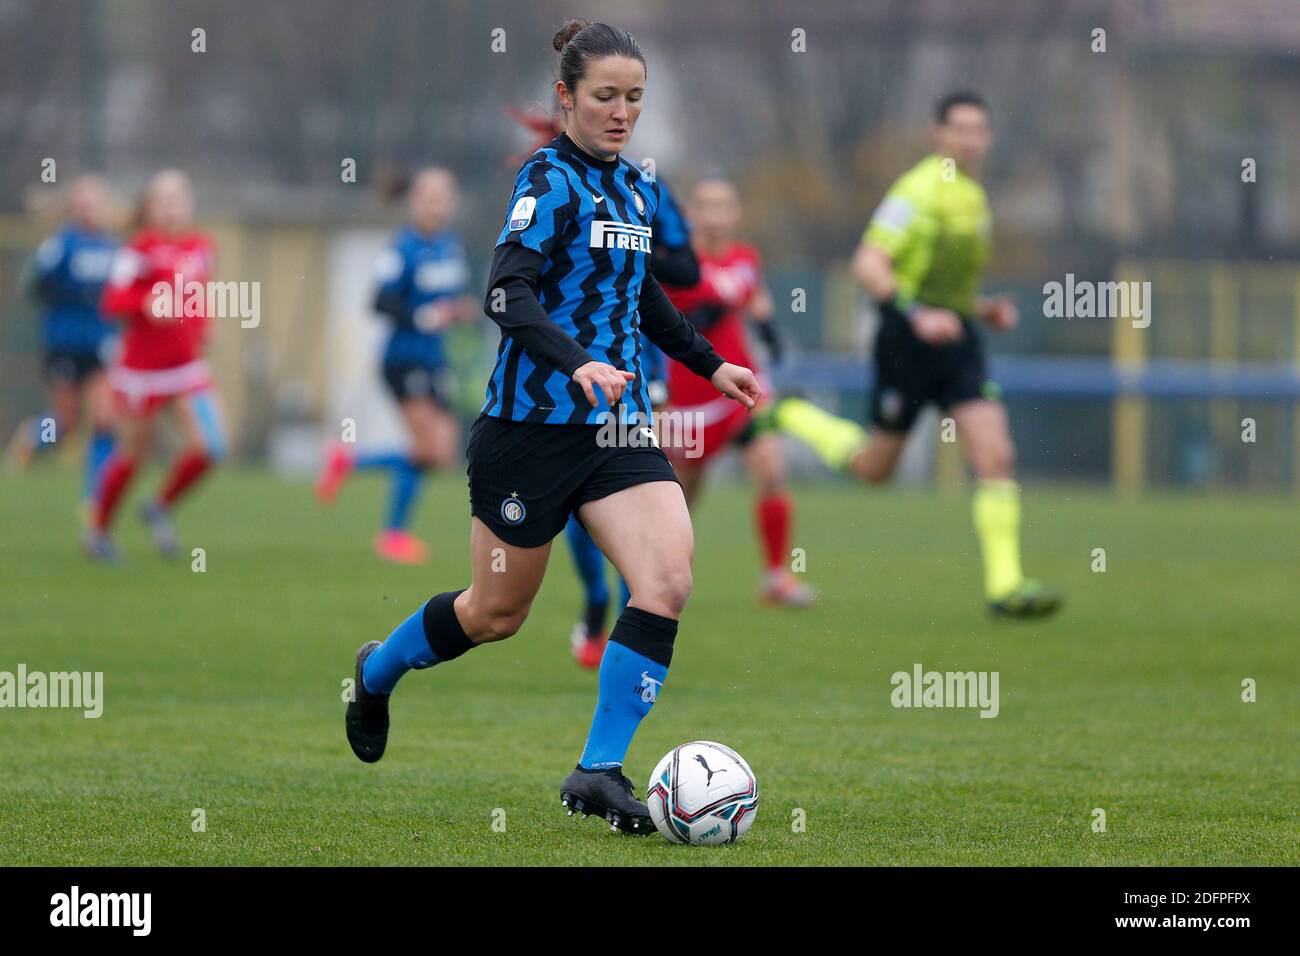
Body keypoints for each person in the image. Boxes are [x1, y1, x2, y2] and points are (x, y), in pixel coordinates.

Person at [344, 19, 760, 835]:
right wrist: (576, 362)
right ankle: (376, 672)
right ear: (565, 97)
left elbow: (644, 299)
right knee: (494, 614)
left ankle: (598, 771)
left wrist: (711, 365)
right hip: (528, 432)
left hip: (616, 432)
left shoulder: (637, 188)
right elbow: (508, 292)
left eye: (634, 98)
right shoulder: (545, 180)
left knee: (668, 580)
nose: (621, 112)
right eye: (605, 96)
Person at [768, 92, 1062, 617]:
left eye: (979, 129)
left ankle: (1005, 586)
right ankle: (794, 415)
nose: (970, 139)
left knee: (996, 454)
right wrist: (917, 314)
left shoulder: (974, 196)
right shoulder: (916, 191)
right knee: (876, 470)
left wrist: (981, 309)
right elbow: (868, 264)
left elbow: (945, 282)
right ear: (938, 134)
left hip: (958, 342)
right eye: (960, 129)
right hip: (905, 341)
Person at [663, 175, 814, 608]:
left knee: (770, 470)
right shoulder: (678, 263)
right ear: (691, 214)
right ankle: (658, 570)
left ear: (735, 213)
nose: (714, 214)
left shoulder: (746, 258)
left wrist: (767, 327)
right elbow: (658, 312)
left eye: (723, 205)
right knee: (684, 493)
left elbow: (753, 294)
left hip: (742, 385)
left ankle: (776, 578)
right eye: (705, 205)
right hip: (690, 397)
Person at [316, 167, 475, 564]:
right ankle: (392, 534)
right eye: (429, 196)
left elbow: (445, 301)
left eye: (444, 196)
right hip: (403, 360)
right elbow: (380, 301)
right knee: (427, 448)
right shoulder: (402, 248)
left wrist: (457, 311)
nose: (437, 204)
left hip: (434, 359)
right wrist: (424, 316)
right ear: (415, 201)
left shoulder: (450, 246)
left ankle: (348, 463)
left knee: (440, 452)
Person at [87, 170, 227, 562]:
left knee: (212, 447)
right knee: (134, 457)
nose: (172, 206)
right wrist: (145, 303)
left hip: (186, 369)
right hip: (141, 374)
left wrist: (206, 325)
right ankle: (98, 532)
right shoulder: (139, 250)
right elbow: (112, 300)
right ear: (148, 208)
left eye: (178, 198)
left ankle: (159, 505)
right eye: (162, 199)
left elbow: (200, 293)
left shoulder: (202, 246)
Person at [6, 176, 117, 512]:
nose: (90, 209)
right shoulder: (61, 245)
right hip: (65, 343)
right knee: (65, 426)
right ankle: (33, 436)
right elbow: (31, 284)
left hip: (101, 344)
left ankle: (95, 499)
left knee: (104, 418)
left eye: (96, 202)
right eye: (83, 202)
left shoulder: (112, 248)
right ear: (73, 207)